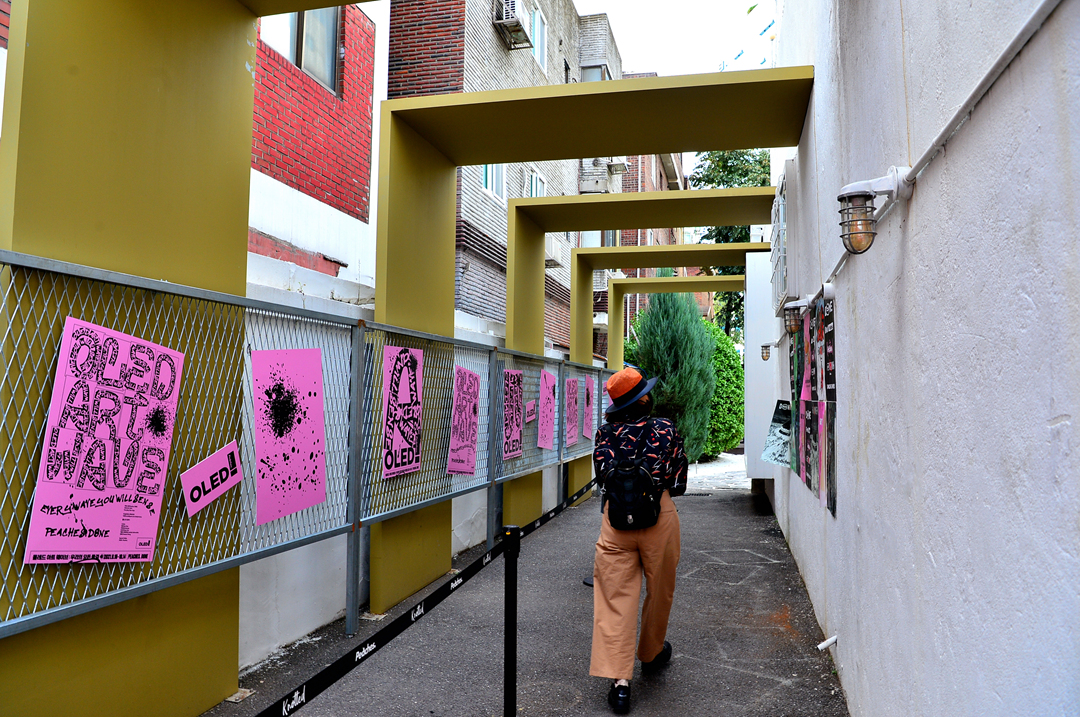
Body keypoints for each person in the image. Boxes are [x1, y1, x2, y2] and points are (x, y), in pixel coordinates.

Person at [590, 366, 687, 714]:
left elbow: (602, 477)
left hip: (615, 521)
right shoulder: (665, 429)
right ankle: (651, 652)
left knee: (614, 597)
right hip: (658, 516)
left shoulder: (604, 433)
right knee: (660, 590)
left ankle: (620, 684)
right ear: (644, 399)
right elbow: (678, 481)